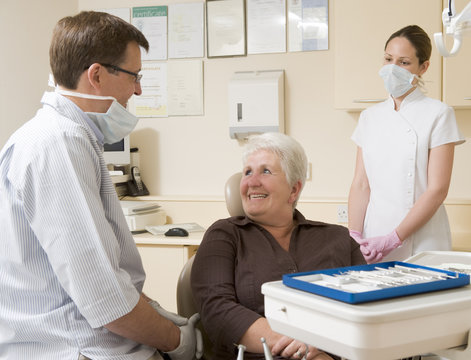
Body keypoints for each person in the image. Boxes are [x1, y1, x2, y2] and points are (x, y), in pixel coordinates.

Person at [0, 11, 201, 360]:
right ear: (96, 75)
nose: (137, 89)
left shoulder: (55, 137)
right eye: (133, 76)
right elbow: (106, 299)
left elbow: (101, 275)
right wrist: (176, 340)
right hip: (77, 348)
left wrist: (151, 309)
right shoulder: (58, 144)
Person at [191, 133, 366, 360]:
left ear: (294, 190)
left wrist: (323, 347)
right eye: (247, 172)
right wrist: (302, 344)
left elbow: (364, 307)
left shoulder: (337, 238)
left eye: (265, 171)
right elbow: (217, 310)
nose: (252, 181)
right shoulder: (224, 235)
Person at [347, 25, 465, 264]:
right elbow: (361, 185)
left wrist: (393, 239)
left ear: (423, 67)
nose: (392, 69)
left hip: (422, 241)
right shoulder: (370, 117)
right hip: (373, 238)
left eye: (403, 62)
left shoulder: (439, 114)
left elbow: (437, 190)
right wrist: (353, 236)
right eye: (388, 59)